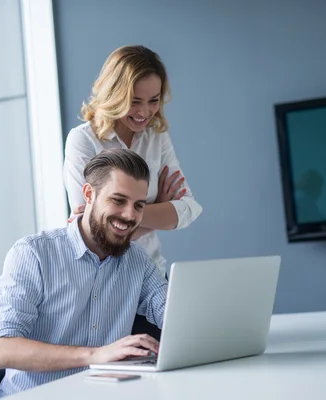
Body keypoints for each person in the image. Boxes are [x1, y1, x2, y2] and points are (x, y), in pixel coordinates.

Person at [0, 149, 168, 397]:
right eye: (118, 200)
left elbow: (174, 315)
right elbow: (1, 351)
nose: (129, 215)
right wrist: (97, 355)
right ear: (89, 194)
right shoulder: (33, 254)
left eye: (138, 205)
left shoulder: (137, 260)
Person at [63, 45, 202, 339]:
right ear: (114, 95)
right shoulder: (83, 141)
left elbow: (189, 208)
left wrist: (119, 217)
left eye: (153, 101)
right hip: (103, 284)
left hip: (152, 276)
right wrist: (157, 211)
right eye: (134, 101)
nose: (144, 112)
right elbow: (90, 230)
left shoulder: (156, 136)